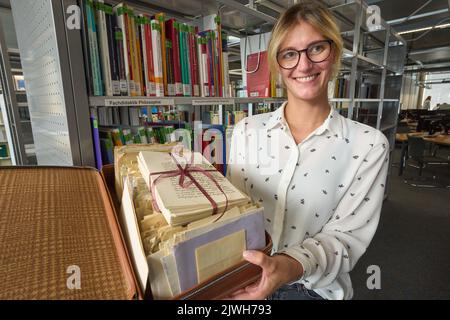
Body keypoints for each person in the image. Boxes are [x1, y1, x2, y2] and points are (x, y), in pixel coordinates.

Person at [226, 1, 389, 300]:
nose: (303, 65)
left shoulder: (368, 144)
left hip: (312, 290)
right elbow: (235, 214)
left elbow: (346, 238)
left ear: (334, 53)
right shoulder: (246, 130)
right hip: (244, 278)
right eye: (290, 54)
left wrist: (284, 268)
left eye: (316, 49)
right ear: (277, 65)